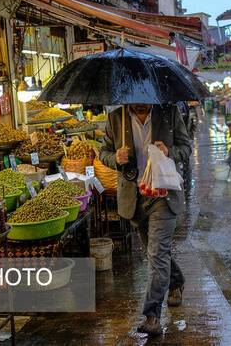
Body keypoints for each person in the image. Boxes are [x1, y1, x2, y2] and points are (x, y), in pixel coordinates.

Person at [99, 103, 192, 336]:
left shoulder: (169, 113)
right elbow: (103, 153)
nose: (140, 102)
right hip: (135, 198)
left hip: (164, 196)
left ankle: (152, 316)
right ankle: (176, 280)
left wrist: (169, 151)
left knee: (157, 252)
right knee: (155, 252)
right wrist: (115, 158)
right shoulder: (116, 118)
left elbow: (186, 147)